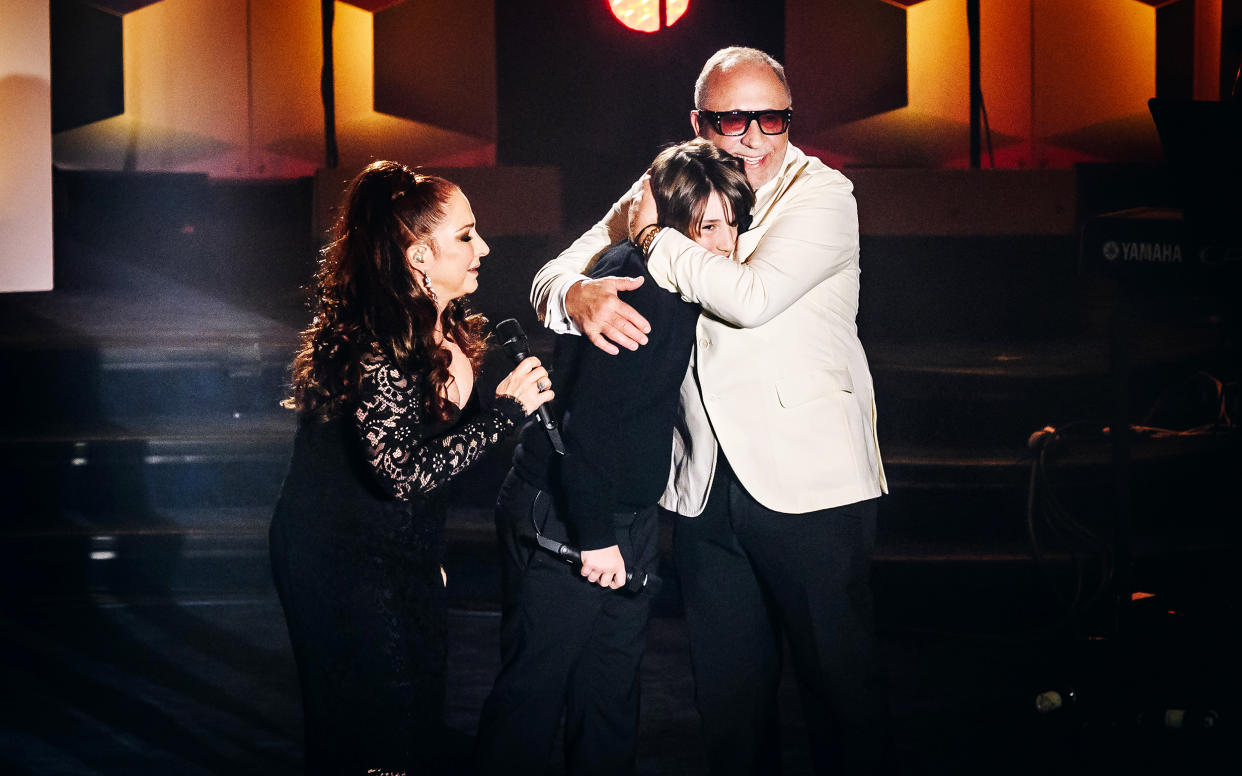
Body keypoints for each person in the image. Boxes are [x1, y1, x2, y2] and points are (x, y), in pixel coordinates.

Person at [530, 48, 890, 774]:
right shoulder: (668, 183)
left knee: (841, 698)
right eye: (734, 119)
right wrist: (577, 296)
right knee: (729, 704)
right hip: (702, 488)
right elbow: (551, 273)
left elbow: (748, 298)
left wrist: (654, 238)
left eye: (774, 119)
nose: (755, 137)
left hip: (812, 485)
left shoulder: (825, 195)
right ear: (699, 122)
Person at [476, 139, 755, 775]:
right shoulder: (638, 284)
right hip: (571, 517)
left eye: (732, 226)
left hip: (621, 517)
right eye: (708, 226)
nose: (724, 244)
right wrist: (596, 539)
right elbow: (590, 429)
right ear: (670, 221)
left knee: (608, 700)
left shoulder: (680, 286)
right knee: (533, 701)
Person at [269, 160, 553, 775]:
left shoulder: (448, 325)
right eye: (465, 235)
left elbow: (425, 478)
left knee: (417, 718)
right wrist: (502, 415)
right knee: (376, 731)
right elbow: (400, 472)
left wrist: (425, 556)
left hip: (401, 550)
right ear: (418, 256)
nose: (483, 247)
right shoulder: (373, 342)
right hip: (336, 556)